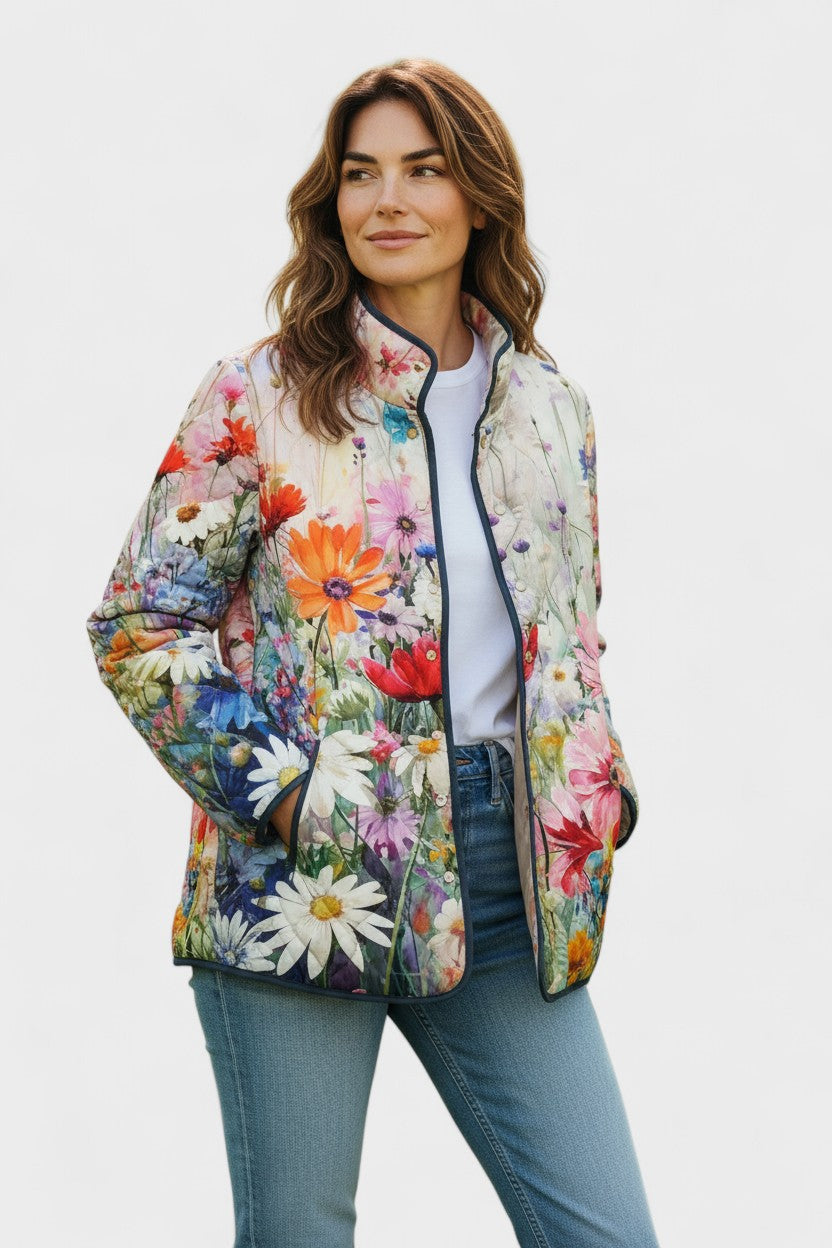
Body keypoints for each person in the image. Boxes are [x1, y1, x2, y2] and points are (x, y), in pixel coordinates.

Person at [86, 56, 659, 1248]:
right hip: (308, 880)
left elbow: (568, 633)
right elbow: (141, 624)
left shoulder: (550, 407)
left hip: (509, 878)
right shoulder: (256, 397)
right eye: (360, 174)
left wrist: (599, 782)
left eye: (422, 169)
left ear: (481, 197)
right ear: (331, 200)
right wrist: (286, 796)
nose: (387, 200)